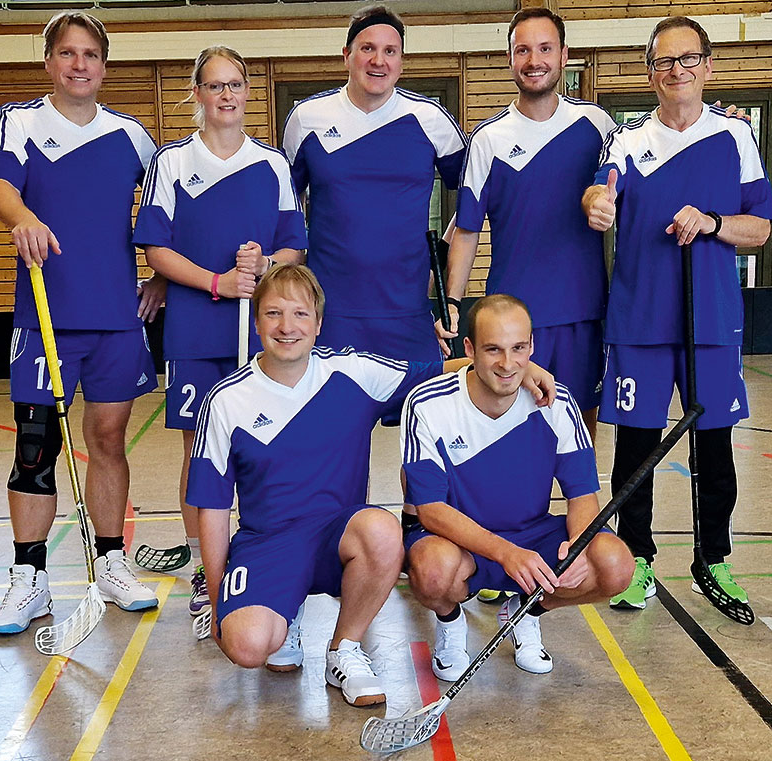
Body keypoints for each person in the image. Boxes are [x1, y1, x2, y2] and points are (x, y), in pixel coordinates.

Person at [186, 265, 556, 705]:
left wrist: (519, 366)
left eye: (301, 315)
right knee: (247, 646)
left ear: (319, 324)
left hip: (339, 538)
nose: (288, 327)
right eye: (274, 314)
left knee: (381, 528)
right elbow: (211, 506)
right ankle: (285, 613)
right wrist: (214, 595)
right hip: (267, 544)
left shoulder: (353, 371)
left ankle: (344, 649)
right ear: (257, 320)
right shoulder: (225, 400)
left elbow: (436, 369)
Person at [582, 16, 772, 610]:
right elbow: (600, 190)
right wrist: (599, 203)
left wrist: (714, 223)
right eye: (664, 62)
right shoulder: (626, 139)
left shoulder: (735, 137)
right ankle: (637, 558)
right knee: (636, 449)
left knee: (714, 449)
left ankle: (712, 560)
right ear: (650, 72)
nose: (676, 71)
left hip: (711, 322)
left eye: (687, 60)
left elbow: (761, 229)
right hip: (640, 319)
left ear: (708, 67)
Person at [0, 11, 164, 634]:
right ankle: (29, 576)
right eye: (68, 53)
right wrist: (21, 220)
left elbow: (168, 212)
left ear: (104, 65)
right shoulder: (19, 120)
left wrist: (162, 277)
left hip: (116, 316)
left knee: (110, 441)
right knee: (35, 448)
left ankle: (112, 562)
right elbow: (2, 186)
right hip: (45, 315)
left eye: (91, 55)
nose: (79, 64)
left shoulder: (134, 136)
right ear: (49, 61)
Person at [133, 46, 307, 618]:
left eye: (235, 84)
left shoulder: (273, 163)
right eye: (214, 86)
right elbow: (156, 247)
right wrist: (218, 282)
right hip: (195, 330)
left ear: (247, 91)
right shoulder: (172, 161)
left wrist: (262, 266)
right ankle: (205, 572)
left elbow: (294, 245)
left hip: (260, 333)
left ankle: (261, 559)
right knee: (200, 452)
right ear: (198, 94)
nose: (226, 95)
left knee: (265, 443)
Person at [402, 294, 634, 678]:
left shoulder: (558, 404)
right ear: (470, 349)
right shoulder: (427, 404)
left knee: (615, 565)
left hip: (532, 530)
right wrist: (507, 553)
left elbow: (581, 496)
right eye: (493, 349)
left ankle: (527, 611)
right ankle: (450, 622)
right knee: (432, 572)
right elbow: (430, 510)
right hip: (457, 538)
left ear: (532, 348)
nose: (508, 364)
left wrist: (576, 546)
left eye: (518, 348)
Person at [438, 7, 613, 444]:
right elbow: (467, 230)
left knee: (579, 437)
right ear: (510, 58)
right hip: (511, 323)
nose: (534, 59)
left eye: (544, 48)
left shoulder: (597, 126)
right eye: (523, 50)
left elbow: (652, 169)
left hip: (583, 312)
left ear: (564, 55)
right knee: (511, 437)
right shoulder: (488, 139)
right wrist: (453, 303)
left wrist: (721, 118)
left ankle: (583, 515)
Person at [282, 4, 467, 363]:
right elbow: (283, 207)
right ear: (346, 55)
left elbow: (476, 202)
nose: (378, 60)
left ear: (401, 62)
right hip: (330, 316)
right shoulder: (307, 119)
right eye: (367, 48)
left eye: (389, 51)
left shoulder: (430, 120)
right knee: (336, 420)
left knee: (421, 419)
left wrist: (438, 258)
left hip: (409, 314)